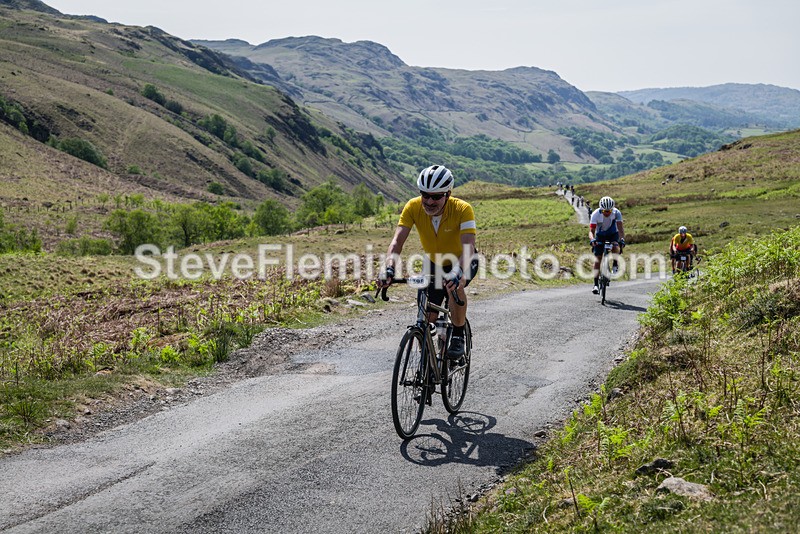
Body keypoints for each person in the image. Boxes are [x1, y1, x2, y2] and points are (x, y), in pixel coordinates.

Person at [377, 165, 477, 360]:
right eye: (425, 195)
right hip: (433, 263)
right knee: (428, 315)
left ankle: (457, 334)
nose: (429, 201)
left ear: (448, 194)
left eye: (436, 196)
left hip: (463, 260)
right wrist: (388, 268)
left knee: (455, 287)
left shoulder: (463, 209)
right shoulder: (413, 207)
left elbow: (469, 247)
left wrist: (458, 272)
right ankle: (428, 359)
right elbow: (397, 241)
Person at [589, 196, 625, 294]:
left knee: (616, 246)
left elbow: (620, 229)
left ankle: (615, 263)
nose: (607, 213)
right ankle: (595, 284)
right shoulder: (595, 214)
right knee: (597, 260)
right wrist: (592, 240)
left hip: (613, 234)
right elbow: (591, 231)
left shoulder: (617, 213)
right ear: (601, 209)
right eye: (605, 211)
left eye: (609, 211)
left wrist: (621, 239)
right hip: (600, 236)